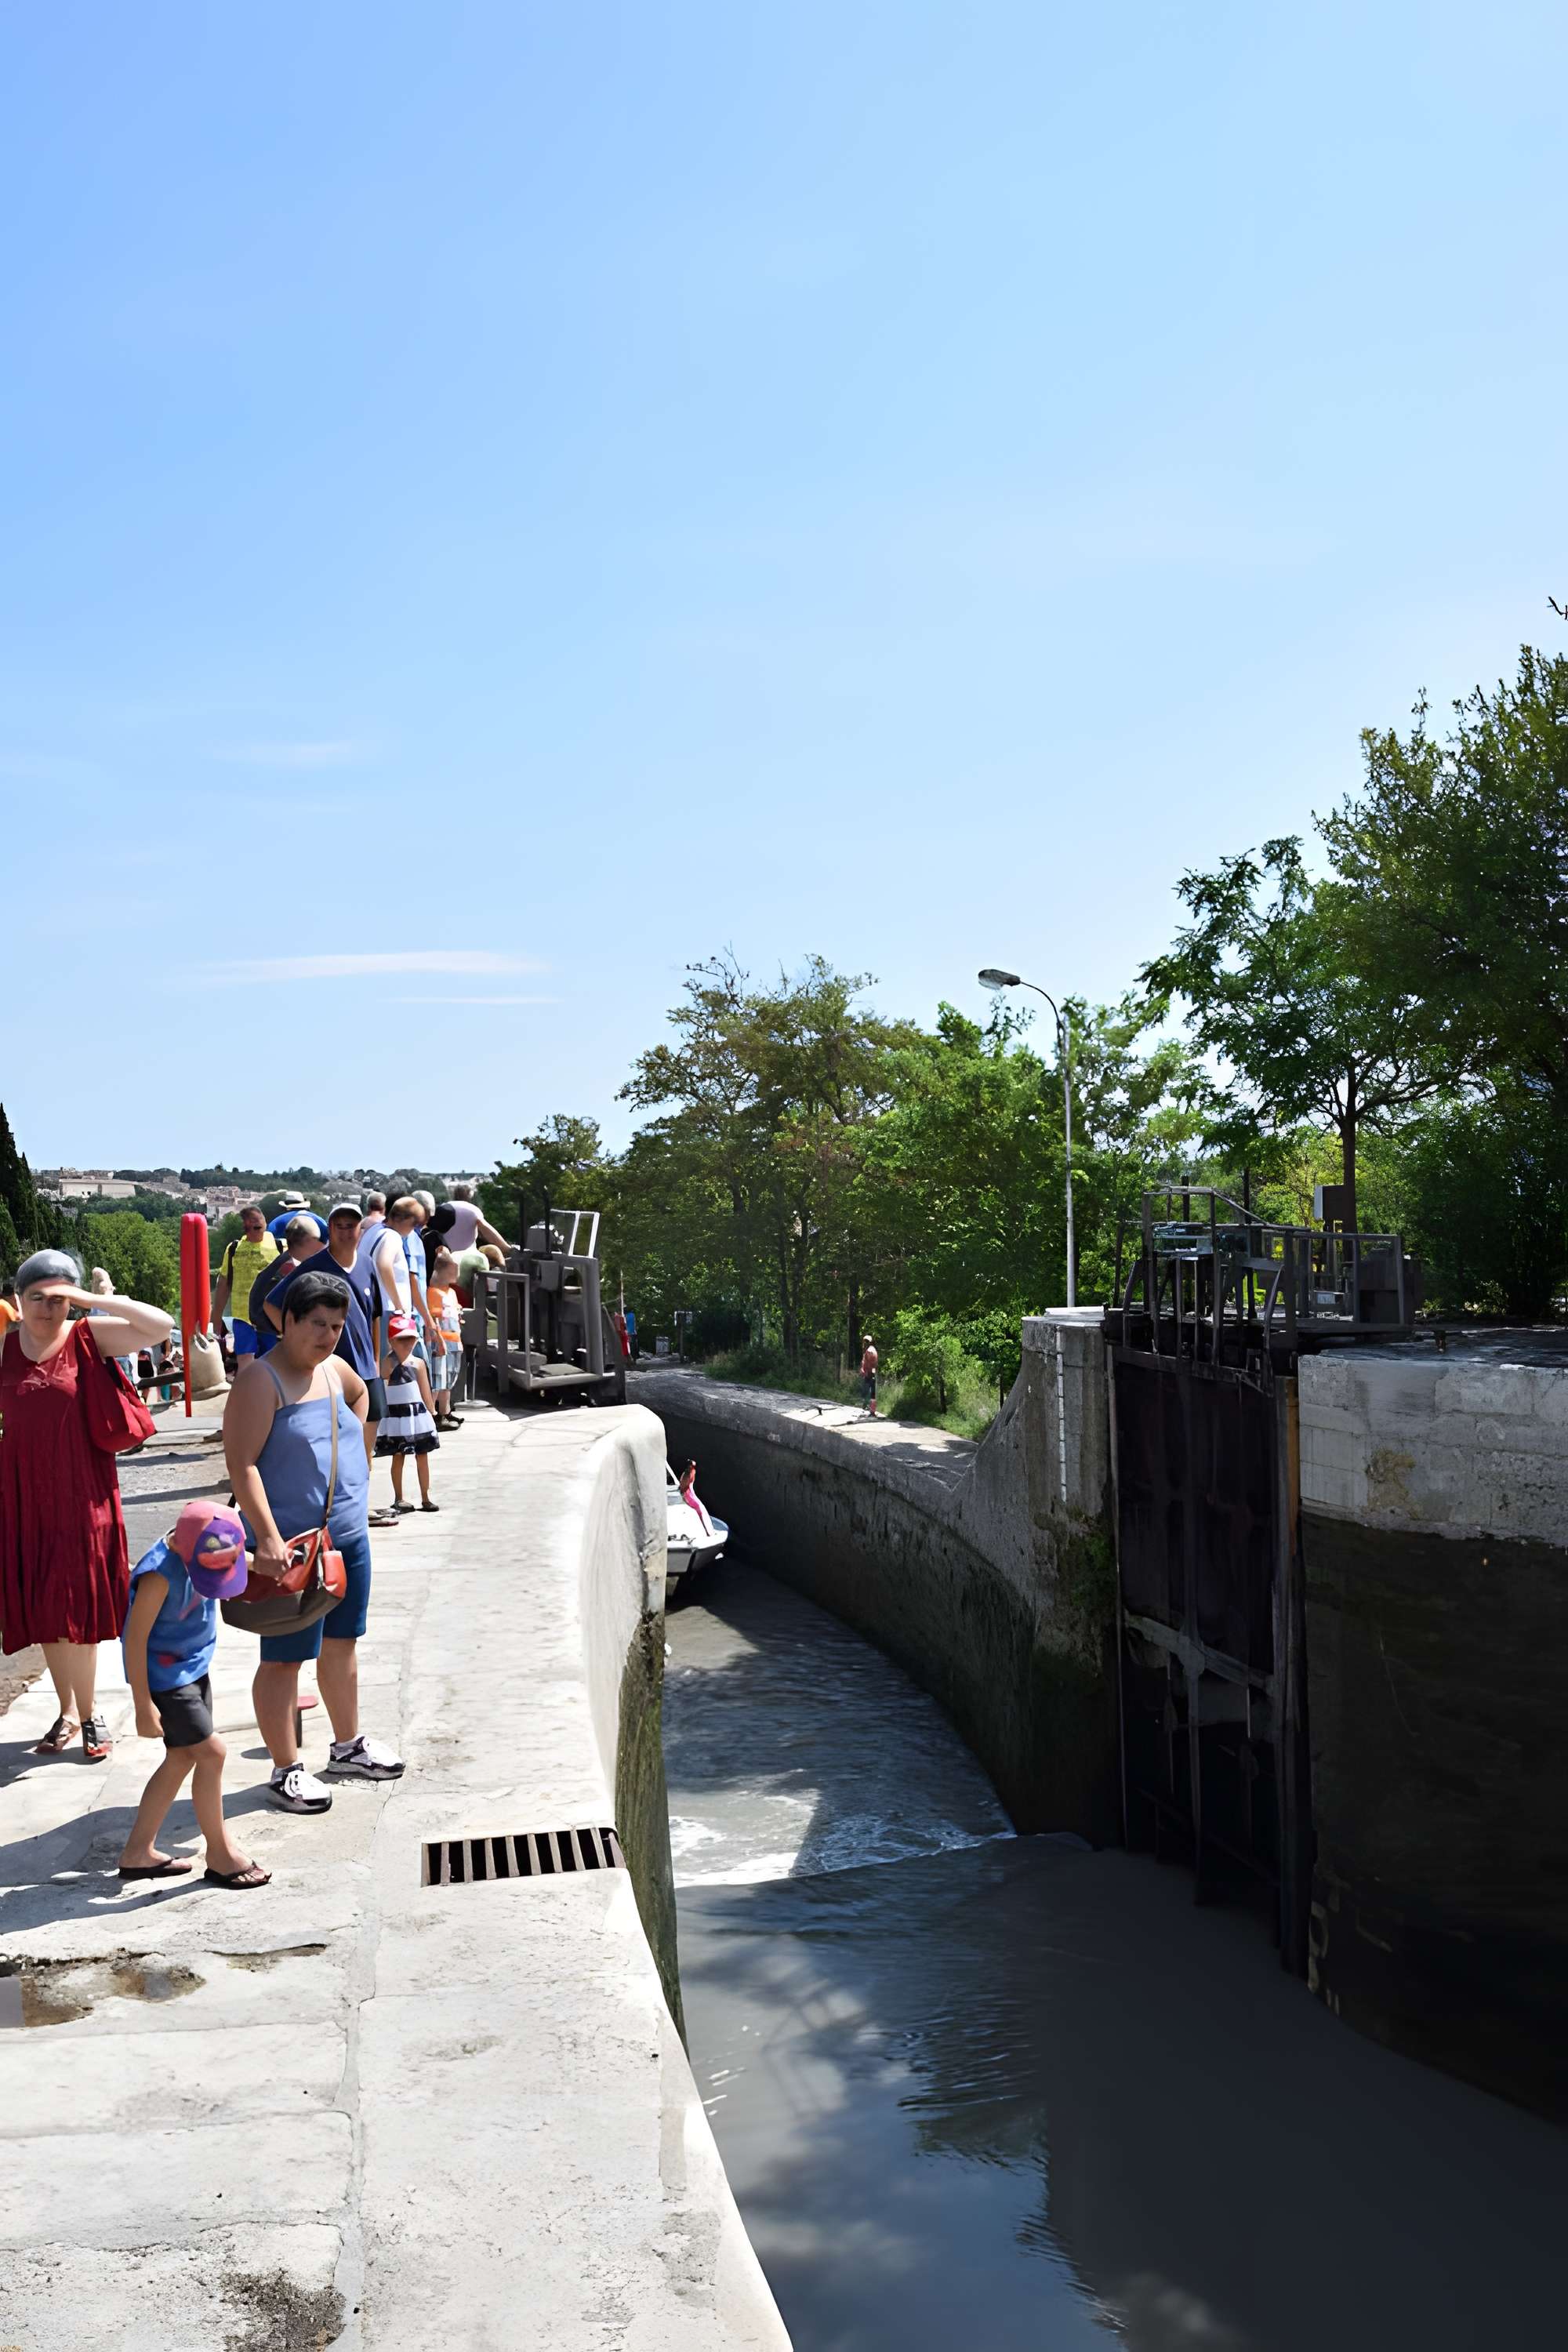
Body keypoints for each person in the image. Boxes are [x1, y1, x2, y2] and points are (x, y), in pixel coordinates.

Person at [224, 1269, 404, 1813]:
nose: (327, 1336)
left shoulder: (334, 1369)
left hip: (345, 1536)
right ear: (289, 1322)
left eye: (336, 1325)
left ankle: (348, 1746)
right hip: (292, 1547)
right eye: (317, 1324)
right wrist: (270, 1539)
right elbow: (242, 1464)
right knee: (284, 1657)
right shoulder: (261, 1381)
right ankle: (286, 1769)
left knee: (344, 1640)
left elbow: (359, 1396)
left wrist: (357, 1460)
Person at [0, 1249, 173, 1762]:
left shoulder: (86, 1337)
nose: (48, 1309)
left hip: (83, 1492)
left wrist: (90, 1299)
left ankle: (91, 1710)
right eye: (38, 1298)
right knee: (47, 1609)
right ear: (17, 1298)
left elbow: (160, 1325)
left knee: (77, 1603)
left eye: (58, 1299)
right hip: (25, 1494)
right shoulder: (6, 1346)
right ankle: (67, 1712)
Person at [118, 1502, 269, 1888]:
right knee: (212, 1752)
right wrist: (142, 1704)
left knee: (182, 1757)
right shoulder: (160, 1573)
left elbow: (240, 1557)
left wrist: (275, 1561)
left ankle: (138, 1852)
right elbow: (134, 1640)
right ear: (186, 1551)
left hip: (194, 1667)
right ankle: (220, 1854)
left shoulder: (208, 1547)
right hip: (166, 1679)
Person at [265, 1204, 398, 1527]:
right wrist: (296, 1345)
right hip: (333, 1373)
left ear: (359, 1230)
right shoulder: (315, 1267)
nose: (345, 1230)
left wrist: (379, 1359)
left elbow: (375, 1315)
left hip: (366, 1369)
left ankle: (359, 1506)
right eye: (337, 1225)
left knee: (366, 1447)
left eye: (351, 1225)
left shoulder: (367, 1265)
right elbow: (273, 1303)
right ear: (330, 1230)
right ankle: (337, 1510)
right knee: (336, 1447)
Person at [376, 1314, 440, 1512]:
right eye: (401, 1339)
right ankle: (399, 1497)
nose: (407, 1344)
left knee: (422, 1455)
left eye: (411, 1338)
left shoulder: (418, 1363)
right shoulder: (386, 1363)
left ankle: (426, 1497)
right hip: (396, 1418)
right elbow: (380, 1385)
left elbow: (424, 1390)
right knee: (398, 1455)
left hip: (417, 1416)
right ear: (391, 1341)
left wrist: (431, 1410)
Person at [248, 1214, 326, 1356]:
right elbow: (270, 1305)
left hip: (264, 1332)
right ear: (311, 1241)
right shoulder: (291, 1268)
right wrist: (292, 1337)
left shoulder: (285, 1260)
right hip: (273, 1337)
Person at [212, 1207, 278, 1361]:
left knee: (272, 1363)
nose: (255, 1225)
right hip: (243, 1319)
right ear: (244, 1226)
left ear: (265, 1222)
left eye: (258, 1221)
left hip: (271, 1318)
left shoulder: (280, 1246)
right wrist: (216, 1320)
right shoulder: (234, 1249)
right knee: (245, 1364)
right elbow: (223, 1285)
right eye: (250, 1222)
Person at [424, 1247, 464, 1431]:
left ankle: (444, 1411)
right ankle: (432, 1414)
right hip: (441, 1341)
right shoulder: (433, 1293)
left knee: (448, 1379)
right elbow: (434, 1318)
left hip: (455, 1340)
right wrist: (437, 1338)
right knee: (438, 1378)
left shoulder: (452, 1293)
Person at [432, 1181, 506, 1258]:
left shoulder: (441, 1208)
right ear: (470, 1195)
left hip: (443, 1257)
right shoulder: (473, 1210)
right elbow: (487, 1231)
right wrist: (506, 1248)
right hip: (468, 1257)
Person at [859, 1334, 879, 1415]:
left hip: (869, 1373)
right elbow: (875, 1364)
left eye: (865, 1342)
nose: (864, 1343)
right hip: (872, 1372)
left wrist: (867, 1371)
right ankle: (871, 1409)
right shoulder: (873, 1350)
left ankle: (868, 1407)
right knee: (872, 1391)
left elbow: (871, 1363)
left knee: (868, 1390)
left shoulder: (869, 1351)